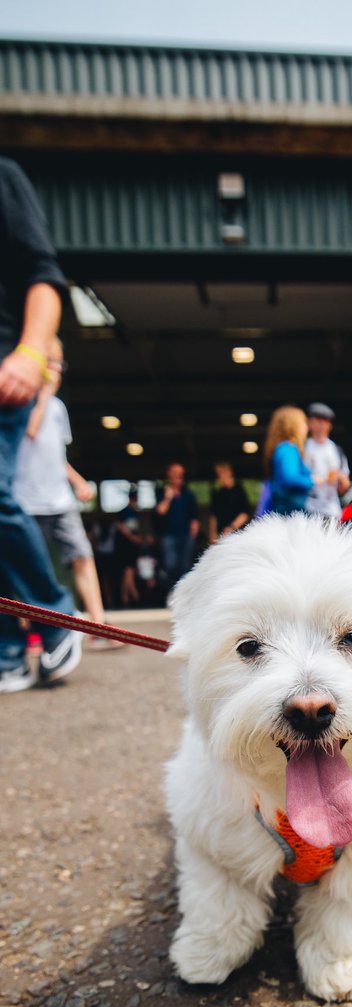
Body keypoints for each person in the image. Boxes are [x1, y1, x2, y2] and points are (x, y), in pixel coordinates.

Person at [0, 156, 82, 692]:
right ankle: (7, 649)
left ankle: (55, 616)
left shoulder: (3, 178)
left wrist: (31, 352)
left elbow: (43, 274)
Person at [14, 338, 119, 649]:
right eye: (52, 363)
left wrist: (77, 481)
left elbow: (55, 455)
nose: (56, 371)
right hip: (26, 499)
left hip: (58, 498)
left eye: (59, 364)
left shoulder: (58, 409)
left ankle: (98, 624)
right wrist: (43, 395)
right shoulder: (21, 401)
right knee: (30, 566)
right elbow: (29, 433)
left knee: (82, 556)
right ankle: (32, 628)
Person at [154, 462, 200, 591]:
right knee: (170, 565)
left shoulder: (188, 494)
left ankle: (185, 593)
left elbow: (194, 515)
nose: (178, 477)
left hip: (186, 534)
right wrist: (168, 497)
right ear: (169, 474)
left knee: (185, 566)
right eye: (175, 474)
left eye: (180, 474)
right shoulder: (162, 492)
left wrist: (194, 529)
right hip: (169, 535)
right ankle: (172, 591)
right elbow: (160, 511)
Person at [303, 402, 351, 518]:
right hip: (308, 509)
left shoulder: (336, 450)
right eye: (318, 420)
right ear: (310, 423)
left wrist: (340, 478)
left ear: (329, 425)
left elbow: (345, 487)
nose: (322, 424)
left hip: (332, 511)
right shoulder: (302, 448)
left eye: (325, 421)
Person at [263, 406, 313, 515]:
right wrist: (312, 480)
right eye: (303, 422)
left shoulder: (281, 448)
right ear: (294, 425)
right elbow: (290, 478)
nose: (306, 427)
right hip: (289, 512)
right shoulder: (288, 449)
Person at [208, 460, 250, 544]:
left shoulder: (239, 491)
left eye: (222, 473)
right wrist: (212, 533)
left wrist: (231, 528)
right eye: (218, 474)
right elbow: (213, 515)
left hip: (237, 535)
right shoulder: (218, 493)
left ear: (229, 472)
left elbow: (245, 514)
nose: (219, 476)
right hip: (221, 536)